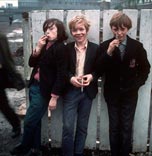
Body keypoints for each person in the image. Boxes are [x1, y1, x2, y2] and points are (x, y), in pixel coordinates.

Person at [11, 18, 68, 156]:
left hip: (44, 91)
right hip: (34, 86)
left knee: (29, 121)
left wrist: (54, 97)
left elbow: (62, 75)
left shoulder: (61, 48)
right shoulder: (45, 45)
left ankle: (24, 147)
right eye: (46, 29)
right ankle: (36, 149)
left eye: (52, 29)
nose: (48, 32)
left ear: (59, 31)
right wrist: (37, 48)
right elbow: (31, 64)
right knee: (35, 121)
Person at [97, 12, 150, 156]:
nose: (119, 33)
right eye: (116, 29)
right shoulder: (104, 46)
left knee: (126, 126)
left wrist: (136, 85)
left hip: (130, 94)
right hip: (112, 93)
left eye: (123, 29)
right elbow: (98, 69)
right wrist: (108, 52)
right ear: (111, 29)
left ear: (128, 29)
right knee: (114, 126)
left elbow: (146, 68)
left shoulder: (137, 46)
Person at [62, 15, 100, 156]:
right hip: (71, 92)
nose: (78, 33)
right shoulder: (67, 49)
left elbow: (99, 70)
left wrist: (92, 76)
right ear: (71, 32)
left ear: (87, 30)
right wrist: (71, 78)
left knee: (82, 127)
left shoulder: (96, 49)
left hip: (87, 93)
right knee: (67, 127)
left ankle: (78, 153)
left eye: (81, 29)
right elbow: (62, 70)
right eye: (74, 30)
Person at [0, 33, 22, 138]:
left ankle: (16, 124)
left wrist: (15, 76)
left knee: (3, 104)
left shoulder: (1, 37)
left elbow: (6, 58)